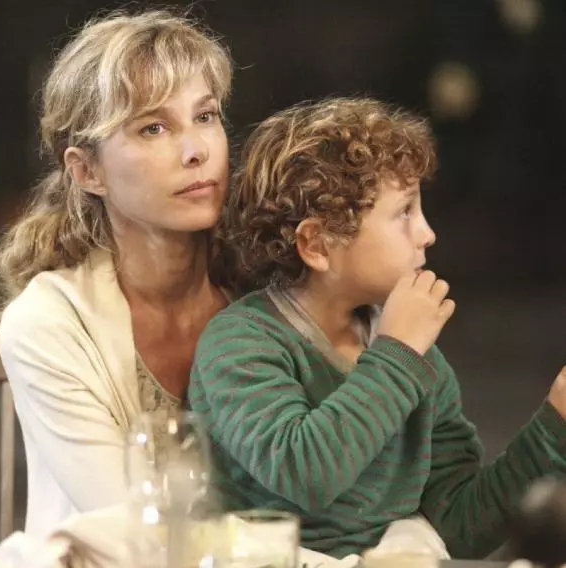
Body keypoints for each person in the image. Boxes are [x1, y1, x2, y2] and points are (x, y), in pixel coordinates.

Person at [189, 97, 566, 558]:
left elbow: (459, 524)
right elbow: (306, 475)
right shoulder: (240, 344)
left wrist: (555, 424)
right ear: (317, 243)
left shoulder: (413, 353)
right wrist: (398, 351)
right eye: (404, 212)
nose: (427, 233)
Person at [0, 8, 233, 537]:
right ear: (87, 171)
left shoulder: (266, 289)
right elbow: (140, 531)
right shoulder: (47, 324)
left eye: (206, 116)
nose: (197, 151)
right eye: (154, 127)